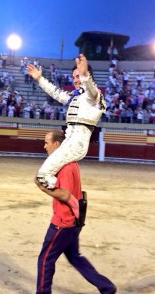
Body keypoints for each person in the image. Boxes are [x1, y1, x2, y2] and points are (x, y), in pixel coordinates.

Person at [35, 130, 117, 294]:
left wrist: (42, 187)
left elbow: (65, 194)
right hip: (74, 221)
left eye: (47, 143)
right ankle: (106, 286)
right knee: (75, 257)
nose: (45, 146)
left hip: (63, 223)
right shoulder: (70, 163)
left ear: (56, 144)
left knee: (45, 260)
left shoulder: (65, 167)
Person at [27, 54, 106, 189]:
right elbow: (56, 92)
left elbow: (92, 92)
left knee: (43, 176)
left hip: (77, 143)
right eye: (74, 77)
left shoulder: (94, 97)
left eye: (78, 76)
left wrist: (85, 75)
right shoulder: (74, 96)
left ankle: (70, 200)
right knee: (52, 174)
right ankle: (76, 199)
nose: (76, 80)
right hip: (69, 140)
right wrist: (40, 78)